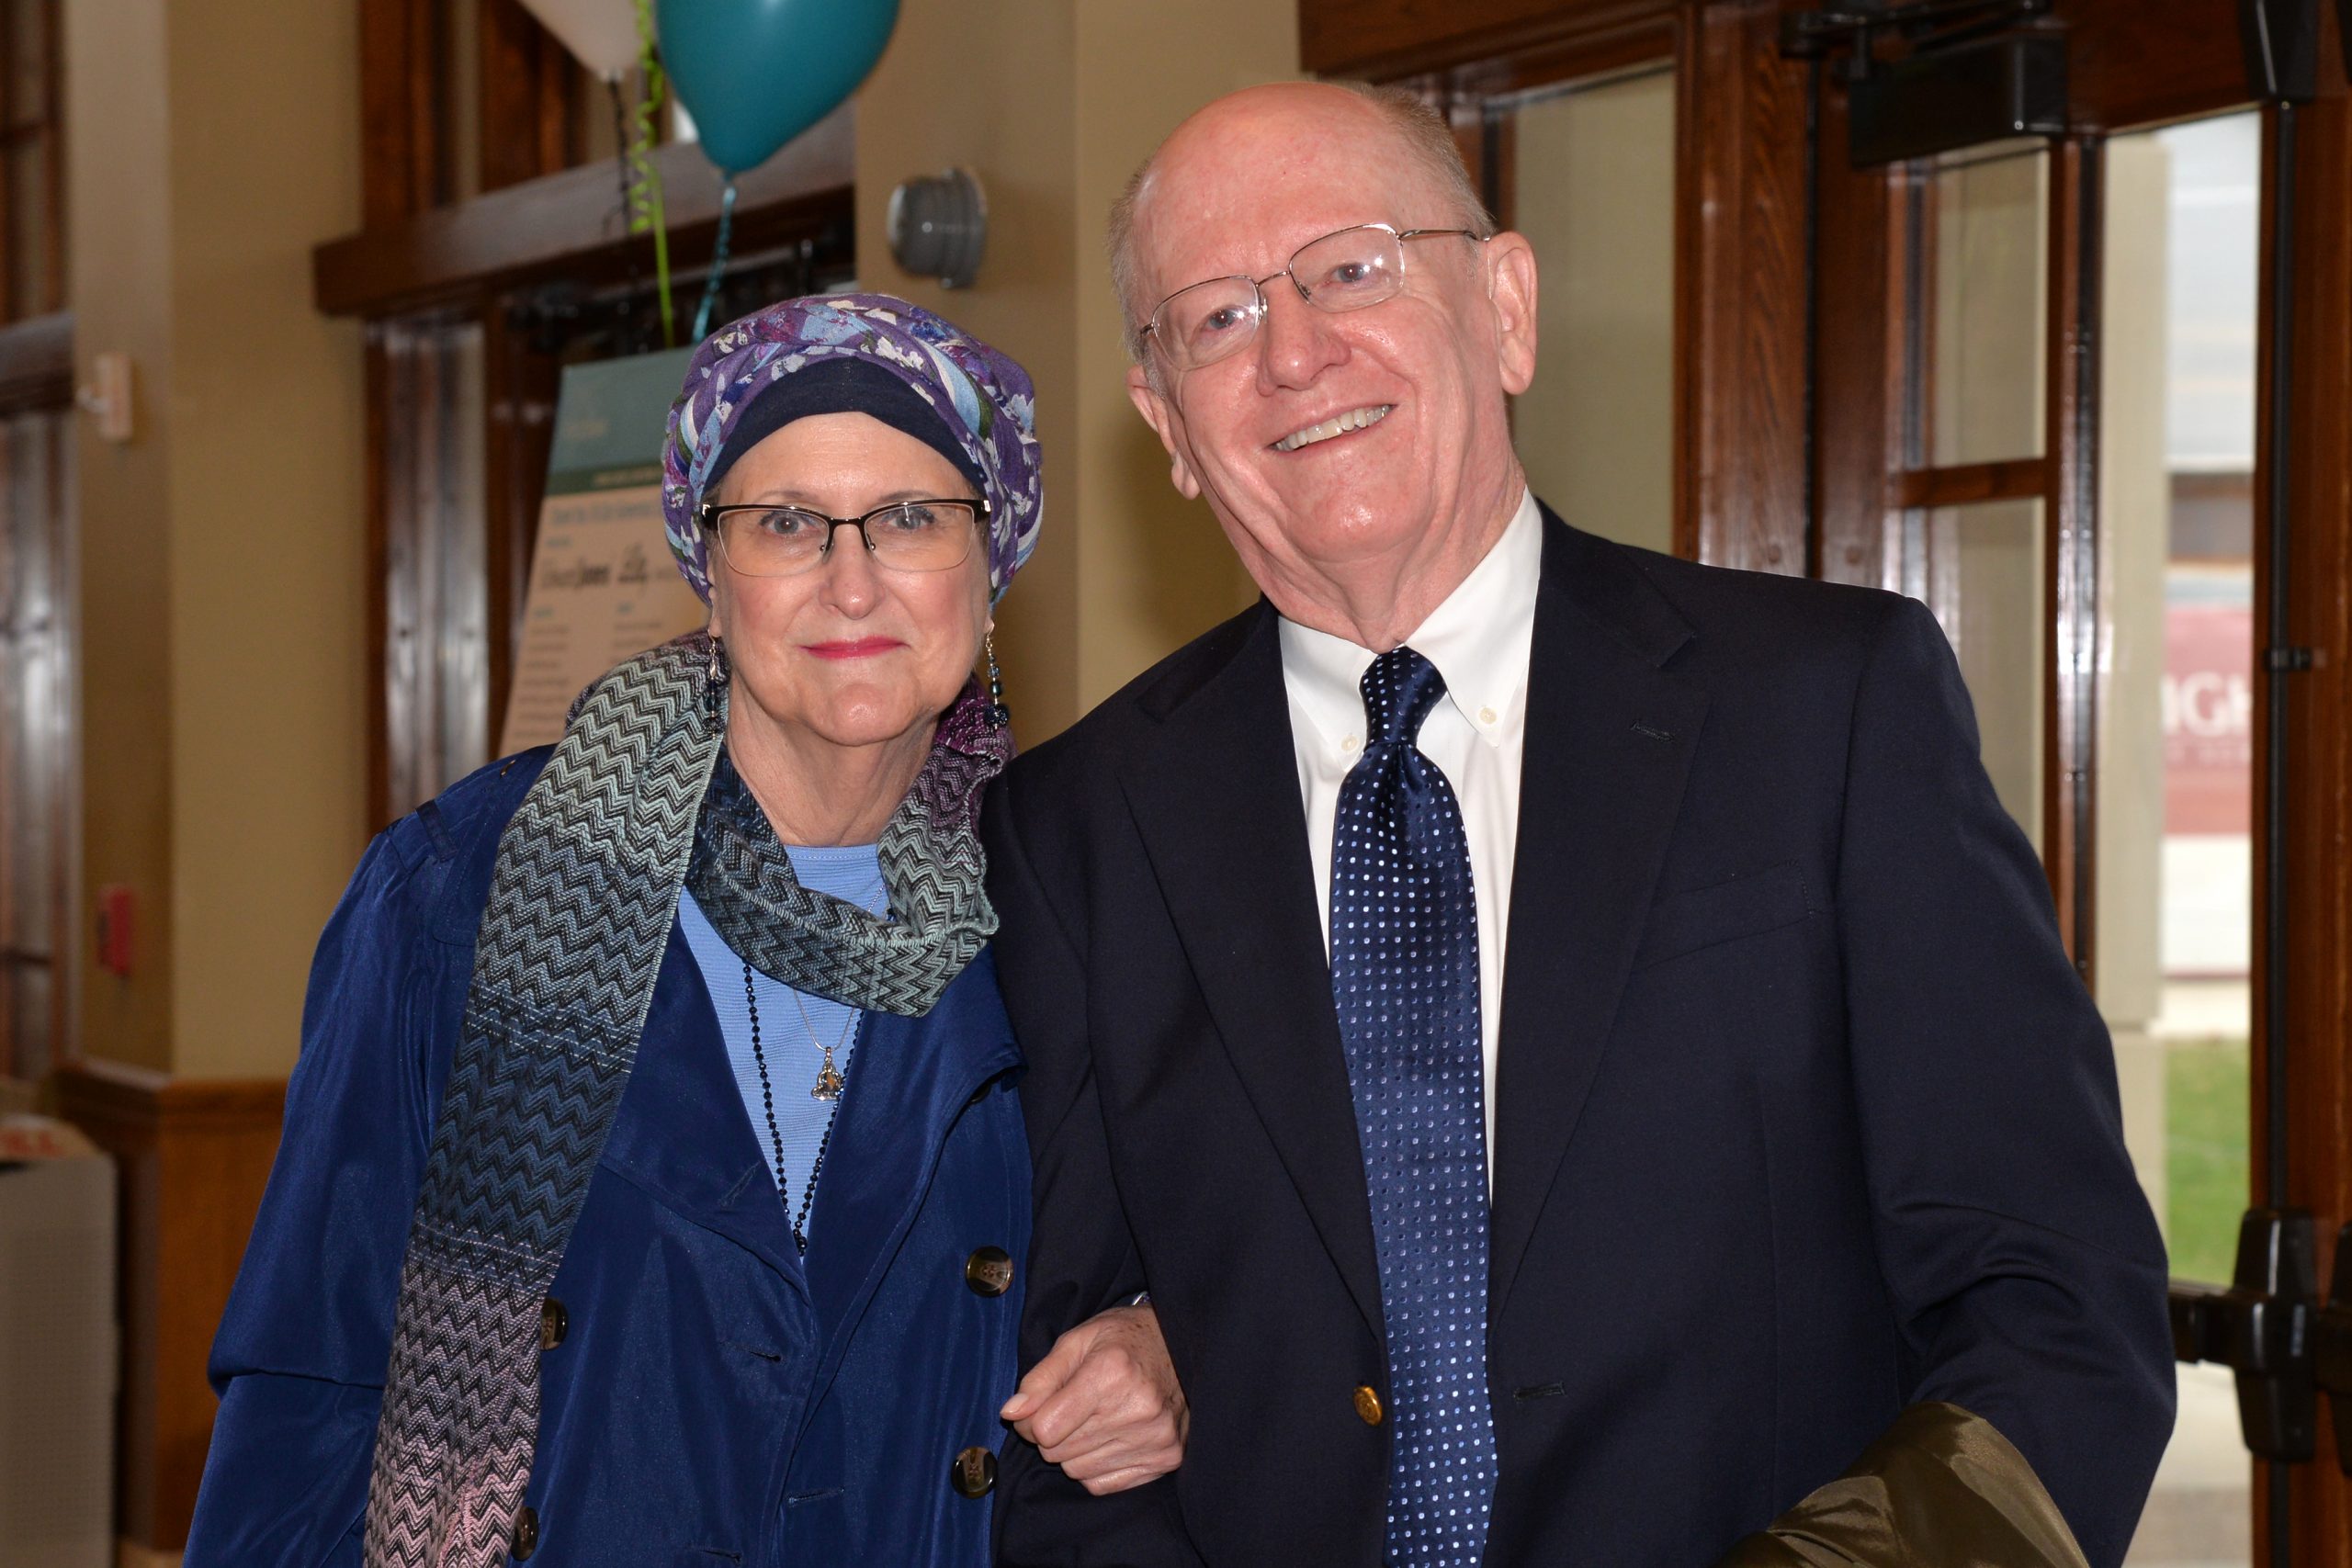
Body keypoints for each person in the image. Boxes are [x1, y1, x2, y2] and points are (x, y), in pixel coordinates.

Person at [983, 82, 2174, 1568]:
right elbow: (1053, 1408)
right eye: (1217, 317)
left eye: (1352, 268)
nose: (1293, 352)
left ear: (1505, 310)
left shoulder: (1826, 711)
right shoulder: (1073, 832)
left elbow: (2051, 1298)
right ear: (1167, 422)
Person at [186, 295, 1185, 1568]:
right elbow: (311, 1383)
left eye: (911, 517)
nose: (853, 581)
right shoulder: (460, 891)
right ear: (709, 572)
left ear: (991, 566)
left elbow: (1239, 1254)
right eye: (787, 523)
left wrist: (1169, 1344)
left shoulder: (1070, 898)